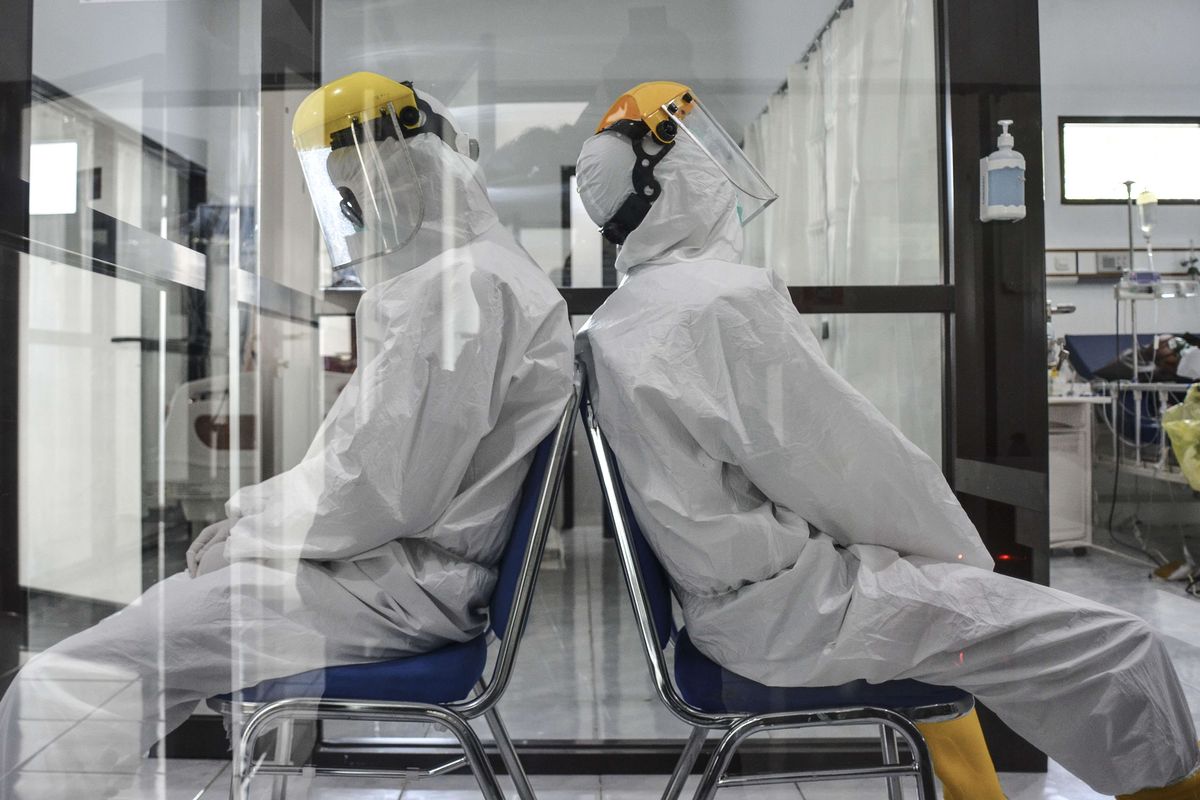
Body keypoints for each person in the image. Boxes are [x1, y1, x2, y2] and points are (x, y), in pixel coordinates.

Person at [575, 81, 1200, 800]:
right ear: (668, 180)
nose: (721, 167)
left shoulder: (628, 315)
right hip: (799, 610)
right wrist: (953, 553)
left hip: (748, 605)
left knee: (965, 620)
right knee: (1122, 651)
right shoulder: (716, 302)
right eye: (700, 152)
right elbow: (846, 470)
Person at [0, 73, 572, 798]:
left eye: (362, 190)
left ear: (414, 168)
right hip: (391, 574)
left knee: (71, 677)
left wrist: (251, 528)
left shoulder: (462, 288)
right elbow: (370, 472)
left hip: (390, 586)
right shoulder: (476, 277)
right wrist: (259, 521)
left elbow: (380, 492)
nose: (359, 213)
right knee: (156, 637)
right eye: (349, 197)